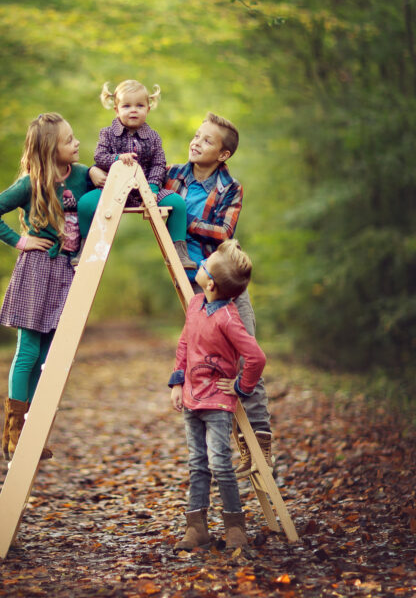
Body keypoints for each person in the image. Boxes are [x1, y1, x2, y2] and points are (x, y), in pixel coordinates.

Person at [0, 113, 98, 461]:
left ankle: (32, 430)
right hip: (36, 270)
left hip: (66, 273)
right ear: (50, 150)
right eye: (69, 140)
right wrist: (20, 241)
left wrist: (99, 173)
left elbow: (106, 193)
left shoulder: (81, 175)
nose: (76, 144)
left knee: (48, 358)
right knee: (28, 352)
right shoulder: (29, 183)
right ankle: (14, 432)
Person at [163, 112, 273, 479]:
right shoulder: (174, 175)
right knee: (205, 354)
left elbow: (224, 232)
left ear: (223, 154)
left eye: (207, 141)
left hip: (221, 275)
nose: (196, 142)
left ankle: (259, 440)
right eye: (196, 136)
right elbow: (143, 192)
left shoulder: (230, 188)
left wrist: (180, 220)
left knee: (246, 347)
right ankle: (217, 434)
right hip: (191, 276)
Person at [169, 239, 266, 550]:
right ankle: (195, 527)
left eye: (203, 266)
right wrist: (177, 381)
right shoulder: (196, 304)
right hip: (191, 397)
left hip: (217, 402)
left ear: (210, 283)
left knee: (220, 463)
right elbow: (184, 343)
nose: (198, 266)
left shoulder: (229, 317)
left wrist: (240, 387)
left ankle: (235, 525)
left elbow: (256, 358)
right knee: (196, 462)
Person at [72, 80, 196, 269]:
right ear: (116, 109)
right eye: (127, 106)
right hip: (112, 190)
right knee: (85, 204)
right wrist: (117, 159)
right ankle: (86, 248)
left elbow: (158, 164)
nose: (133, 110)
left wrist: (153, 188)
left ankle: (178, 251)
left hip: (144, 192)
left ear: (148, 108)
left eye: (139, 106)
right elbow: (99, 156)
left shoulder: (153, 137)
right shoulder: (107, 134)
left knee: (178, 204)